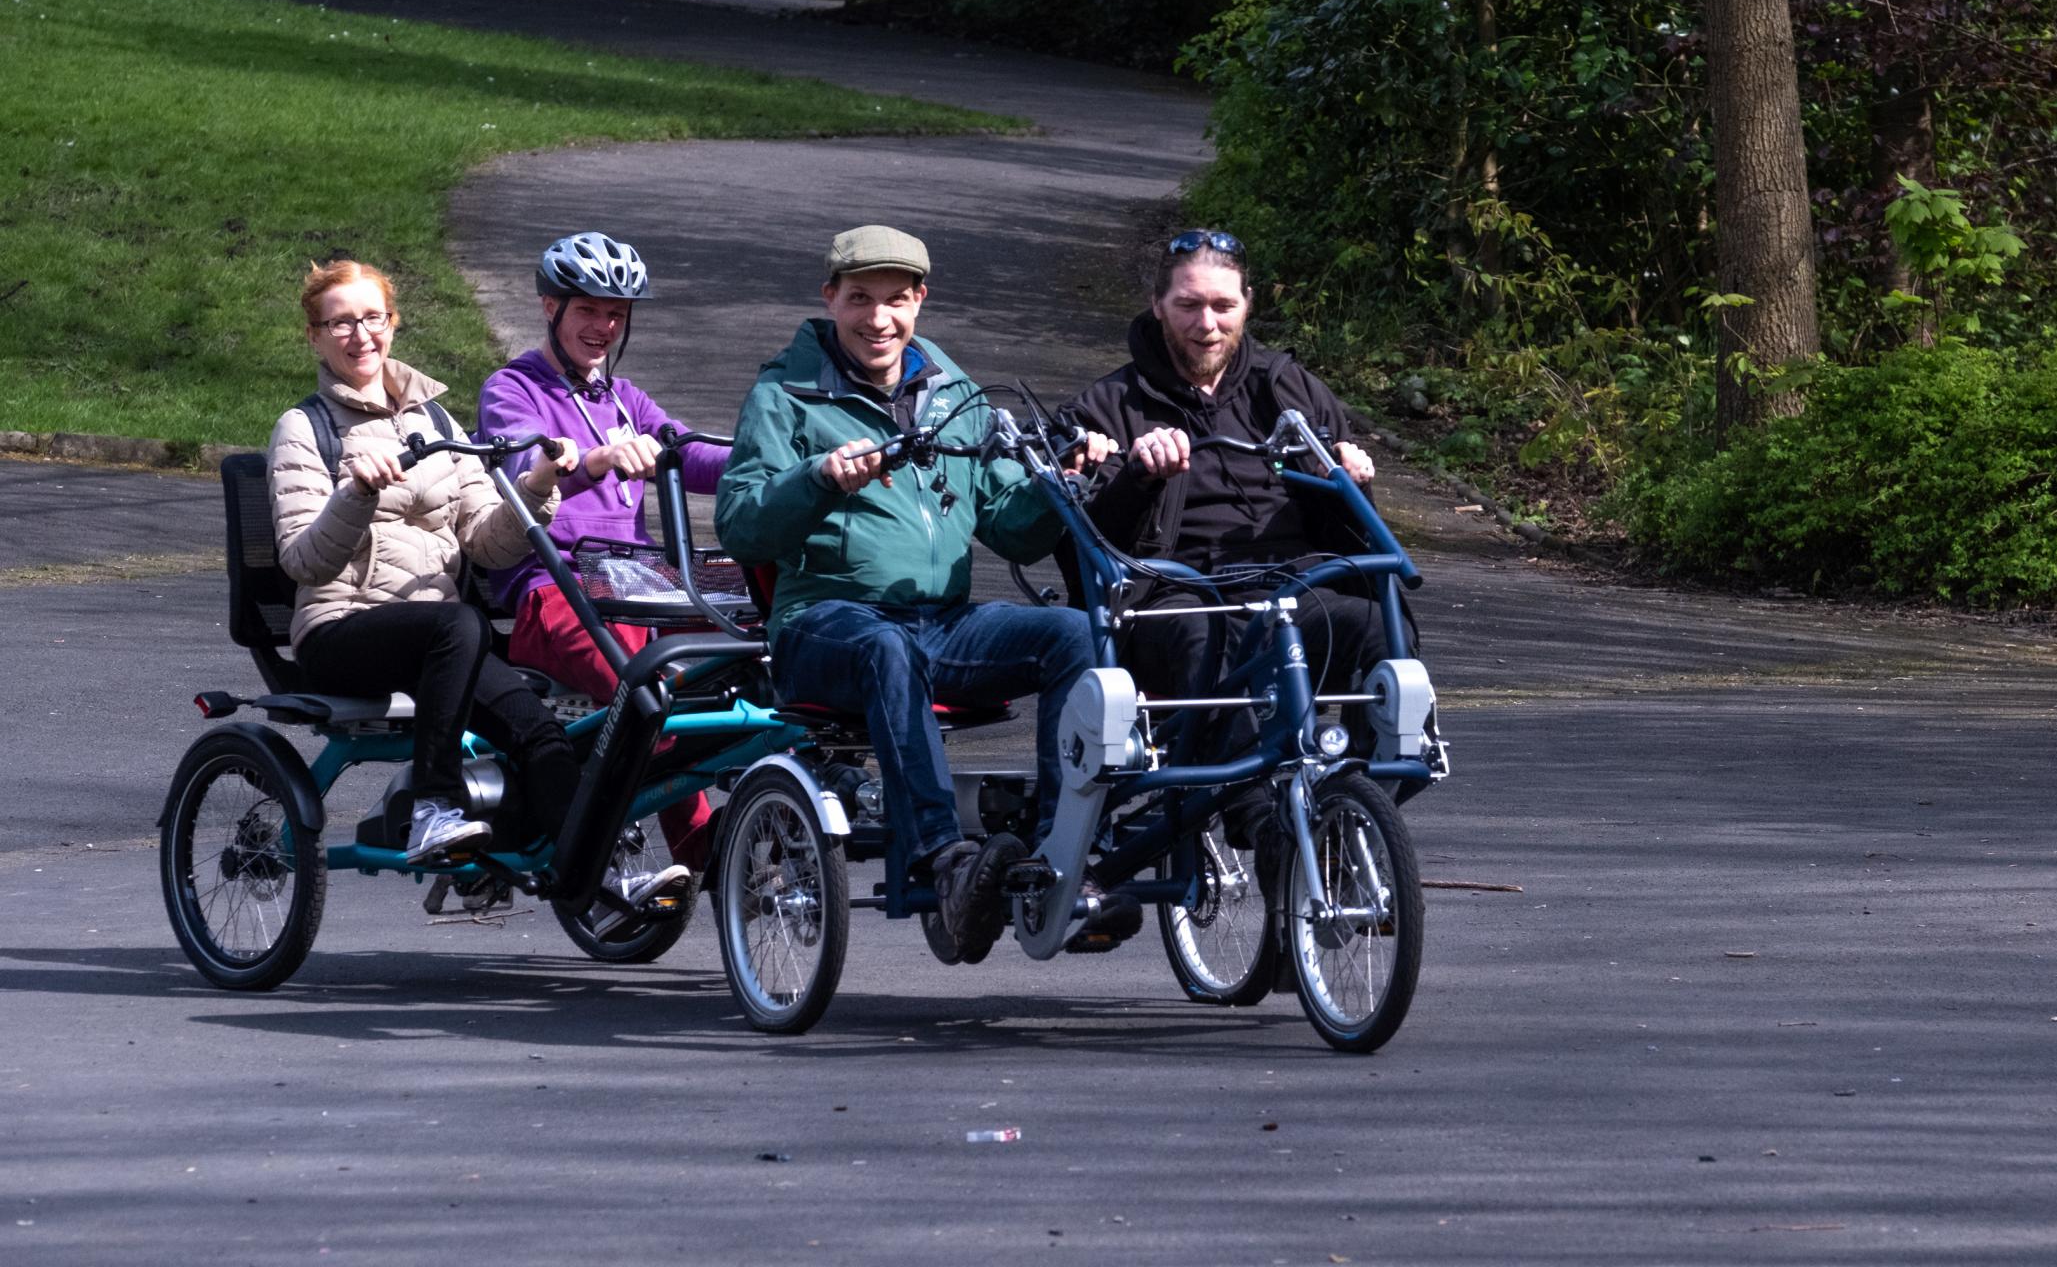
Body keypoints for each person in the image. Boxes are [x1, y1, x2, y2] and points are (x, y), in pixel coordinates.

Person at [715, 225, 1118, 958]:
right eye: (860, 299)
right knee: (885, 645)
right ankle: (948, 862)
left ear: (921, 301)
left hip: (943, 625)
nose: (879, 319)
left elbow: (1011, 528)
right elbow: (741, 524)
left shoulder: (953, 392)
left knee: (1076, 636)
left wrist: (1063, 486)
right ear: (829, 298)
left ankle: (1057, 856)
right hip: (823, 625)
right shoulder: (784, 394)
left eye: (896, 301)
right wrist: (820, 478)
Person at [1062, 228, 1400, 849]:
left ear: (1248, 303)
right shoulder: (1107, 406)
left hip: (1293, 588)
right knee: (1219, 629)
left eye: (1223, 306)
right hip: (1173, 598)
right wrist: (1136, 475)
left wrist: (1349, 481)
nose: (1207, 324)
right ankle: (1254, 816)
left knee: (1382, 622)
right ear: (1158, 304)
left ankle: (1356, 808)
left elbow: (1352, 536)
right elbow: (1079, 549)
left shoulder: (1289, 391)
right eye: (1189, 306)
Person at [269, 259, 581, 863]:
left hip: (439, 643)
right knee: (460, 621)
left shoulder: (436, 419)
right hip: (341, 631)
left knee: (543, 733)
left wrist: (539, 485)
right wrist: (354, 496)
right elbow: (303, 562)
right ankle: (431, 810)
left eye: (372, 317)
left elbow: (488, 544)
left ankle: (590, 880)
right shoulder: (303, 428)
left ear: (393, 322)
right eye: (339, 324)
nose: (361, 335)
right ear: (313, 335)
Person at [477, 232, 730, 900]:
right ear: (549, 307)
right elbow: (517, 475)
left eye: (616, 315)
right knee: (644, 696)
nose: (604, 328)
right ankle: (704, 845)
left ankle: (761, 815)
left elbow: (694, 455)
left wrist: (784, 464)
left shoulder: (627, 402)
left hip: (641, 591)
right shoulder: (513, 390)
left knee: (743, 667)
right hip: (550, 590)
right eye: (589, 310)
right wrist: (592, 462)